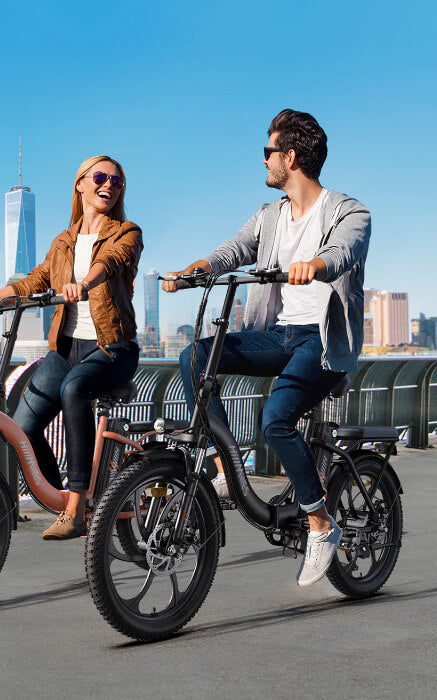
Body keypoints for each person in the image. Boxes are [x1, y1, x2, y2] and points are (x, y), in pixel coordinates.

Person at [162, 109, 371, 586]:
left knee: (275, 421)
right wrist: (198, 269)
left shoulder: (350, 212)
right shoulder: (271, 215)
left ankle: (321, 524)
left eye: (268, 152)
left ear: (290, 157)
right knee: (196, 356)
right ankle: (224, 468)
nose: (264, 162)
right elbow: (234, 250)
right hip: (280, 335)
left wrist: (315, 265)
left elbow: (344, 252)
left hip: (320, 340)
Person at [0, 155, 142, 539]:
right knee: (23, 427)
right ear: (80, 184)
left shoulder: (127, 232)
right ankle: (65, 499)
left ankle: (76, 507)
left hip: (111, 348)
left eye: (117, 181)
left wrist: (84, 283)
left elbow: (112, 262)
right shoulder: (63, 241)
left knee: (74, 390)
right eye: (100, 177)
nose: (109, 185)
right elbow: (34, 280)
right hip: (64, 350)